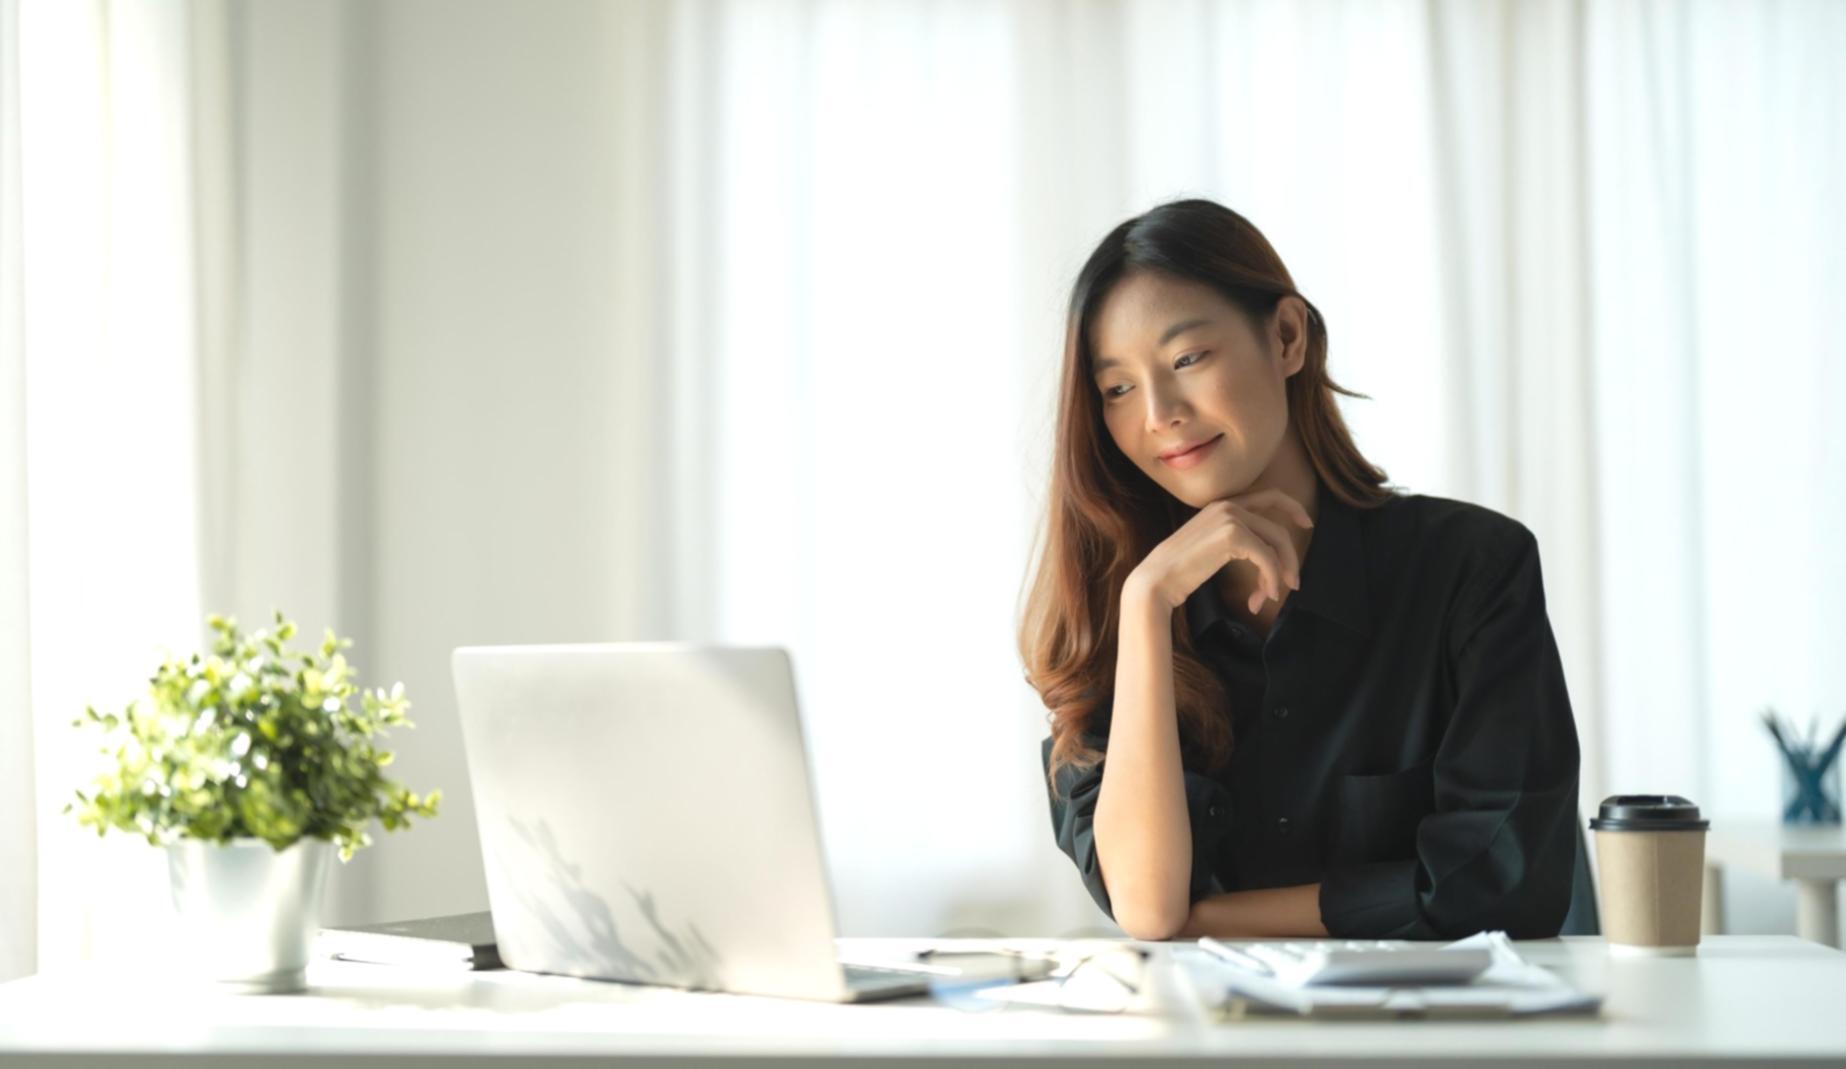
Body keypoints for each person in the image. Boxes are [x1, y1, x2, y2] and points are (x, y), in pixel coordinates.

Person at [1017, 199, 1581, 941]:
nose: (1158, 413)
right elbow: (1149, 905)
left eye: (1187, 359)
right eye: (1117, 387)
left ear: (1286, 337)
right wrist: (1149, 604)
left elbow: (1502, 880)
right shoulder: (1114, 612)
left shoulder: (1473, 569)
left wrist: (1212, 920)